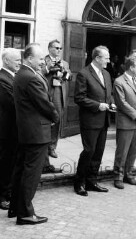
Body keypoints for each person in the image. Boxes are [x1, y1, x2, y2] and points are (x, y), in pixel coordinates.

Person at [9, 43, 59, 225]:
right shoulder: (31, 77)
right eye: (39, 59)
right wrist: (55, 116)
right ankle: (25, 214)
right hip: (36, 132)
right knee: (31, 174)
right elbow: (44, 104)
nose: (42, 62)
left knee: (21, 170)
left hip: (27, 131)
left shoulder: (22, 74)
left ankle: (15, 207)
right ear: (30, 58)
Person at [74, 46, 115, 196]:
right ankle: (79, 183)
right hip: (90, 121)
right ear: (97, 58)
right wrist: (98, 105)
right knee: (89, 151)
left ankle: (92, 181)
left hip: (103, 120)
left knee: (98, 152)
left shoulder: (106, 73)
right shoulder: (83, 74)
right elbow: (79, 98)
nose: (108, 61)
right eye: (106, 58)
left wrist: (111, 102)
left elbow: (108, 93)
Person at [113, 57, 136, 189]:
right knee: (122, 151)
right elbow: (121, 103)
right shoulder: (119, 81)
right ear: (131, 68)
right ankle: (118, 177)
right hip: (126, 122)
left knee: (133, 150)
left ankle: (129, 174)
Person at [41, 39, 71, 173]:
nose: (59, 50)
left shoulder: (64, 62)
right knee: (45, 122)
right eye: (56, 48)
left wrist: (63, 74)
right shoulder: (43, 60)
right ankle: (44, 147)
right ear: (49, 48)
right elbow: (40, 72)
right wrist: (49, 67)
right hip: (46, 94)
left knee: (57, 120)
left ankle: (52, 146)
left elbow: (69, 76)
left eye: (60, 48)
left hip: (59, 93)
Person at [0, 48, 21, 211]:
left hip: (13, 129)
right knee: (5, 163)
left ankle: (7, 192)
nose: (19, 63)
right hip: (5, 131)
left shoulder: (12, 77)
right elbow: (13, 103)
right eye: (16, 61)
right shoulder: (2, 79)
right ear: (6, 61)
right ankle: (2, 196)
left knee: (11, 162)